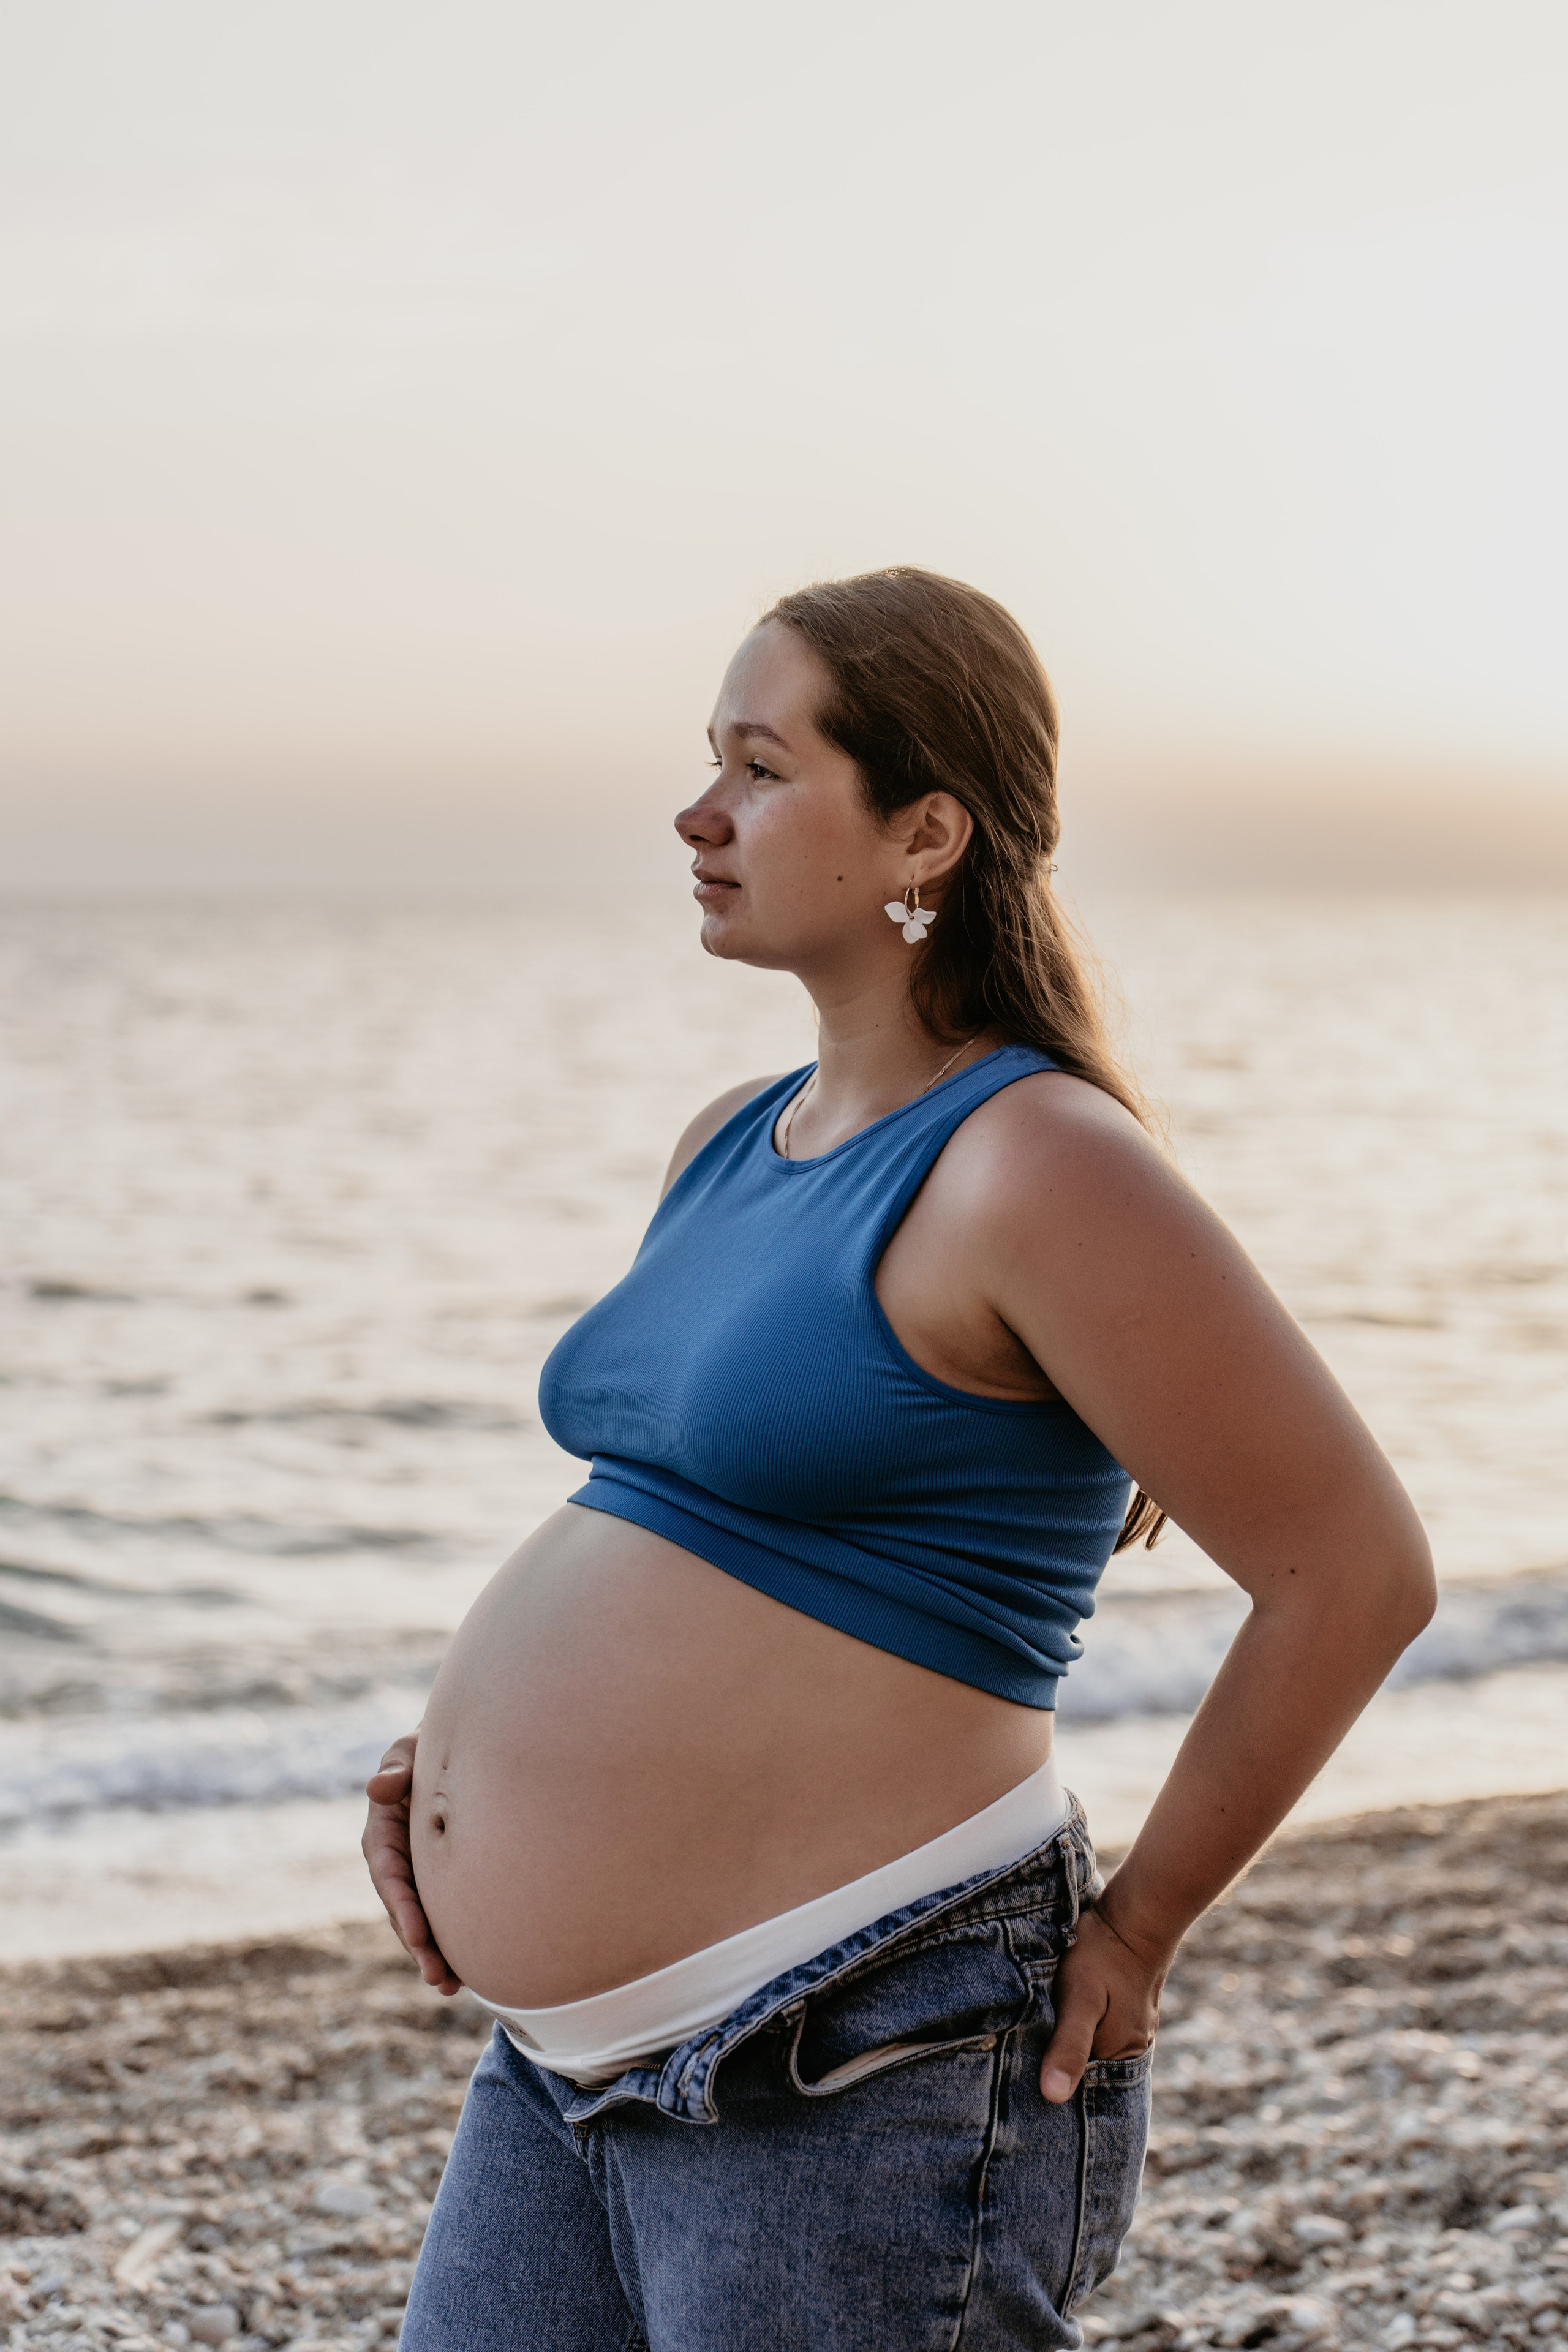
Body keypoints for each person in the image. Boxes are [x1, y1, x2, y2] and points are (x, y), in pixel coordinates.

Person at [364, 567, 1434, 2351]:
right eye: (708, 761)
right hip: (561, 2072)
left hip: (861, 2048)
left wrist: (1143, 1926)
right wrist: (464, 1779)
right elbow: (687, 1534)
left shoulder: (1037, 1163)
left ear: (925, 831)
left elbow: (1356, 1573)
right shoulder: (727, 1143)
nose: (701, 813)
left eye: (764, 770)